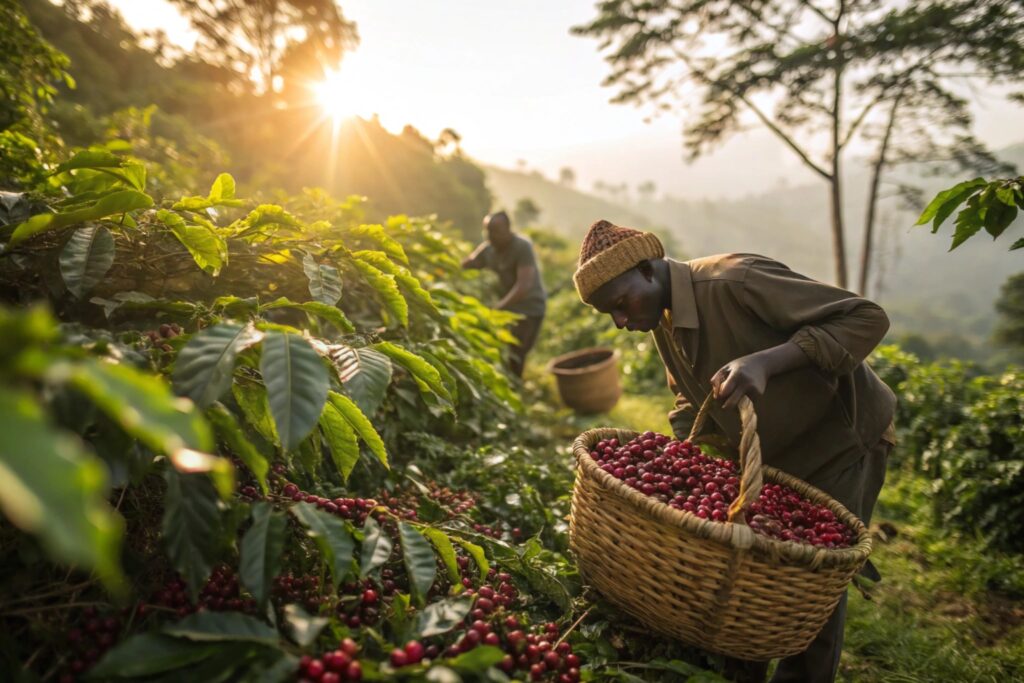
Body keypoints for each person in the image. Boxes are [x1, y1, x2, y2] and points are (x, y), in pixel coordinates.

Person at [572, 219, 896, 683]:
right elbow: (689, 396)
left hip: (839, 441)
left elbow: (867, 317)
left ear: (648, 269)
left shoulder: (734, 281)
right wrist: (682, 458)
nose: (621, 323)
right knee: (754, 575)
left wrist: (766, 361)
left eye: (622, 305)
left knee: (808, 584)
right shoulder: (662, 317)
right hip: (771, 455)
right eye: (611, 316)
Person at [462, 210, 547, 377]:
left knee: (517, 352)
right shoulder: (489, 248)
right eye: (487, 231)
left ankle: (516, 389)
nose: (490, 236)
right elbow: (468, 264)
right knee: (504, 349)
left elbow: (525, 284)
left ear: (508, 229)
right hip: (509, 308)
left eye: (495, 231)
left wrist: (498, 307)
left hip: (530, 308)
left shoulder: (522, 246)